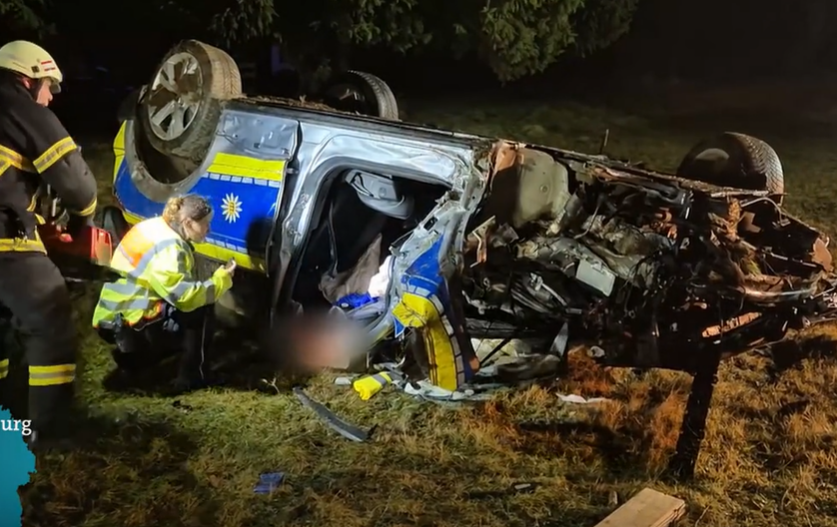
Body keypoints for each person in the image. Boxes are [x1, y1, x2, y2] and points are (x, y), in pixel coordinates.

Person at [0, 40, 99, 448]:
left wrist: (38, 221)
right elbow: (76, 184)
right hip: (5, 244)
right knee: (50, 316)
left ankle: (6, 419)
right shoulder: (16, 105)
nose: (51, 98)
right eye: (49, 87)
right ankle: (50, 433)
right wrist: (82, 223)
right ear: (29, 78)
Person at [92, 195, 236, 392]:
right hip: (128, 323)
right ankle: (193, 376)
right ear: (188, 223)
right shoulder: (170, 248)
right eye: (205, 224)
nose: (209, 229)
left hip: (112, 315)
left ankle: (135, 361)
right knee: (202, 306)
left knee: (187, 302)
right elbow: (186, 299)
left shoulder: (154, 227)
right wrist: (221, 279)